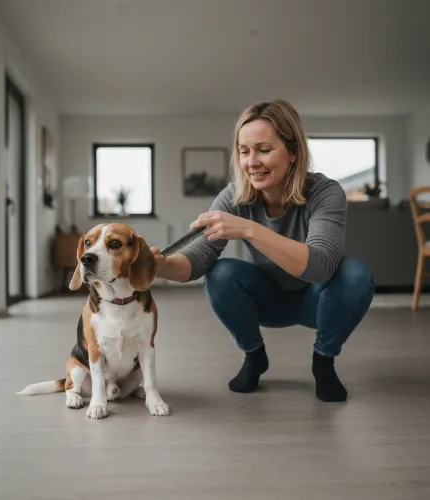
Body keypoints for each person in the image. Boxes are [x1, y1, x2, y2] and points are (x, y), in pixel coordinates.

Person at [150, 99, 375, 403]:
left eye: (264, 150)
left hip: (318, 300)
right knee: (221, 272)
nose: (251, 162)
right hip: (267, 301)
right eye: (244, 151)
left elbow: (321, 266)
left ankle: (324, 360)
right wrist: (158, 266)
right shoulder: (233, 196)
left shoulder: (325, 192)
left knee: (355, 274)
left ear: (293, 152)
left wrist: (248, 229)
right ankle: (254, 356)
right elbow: (197, 260)